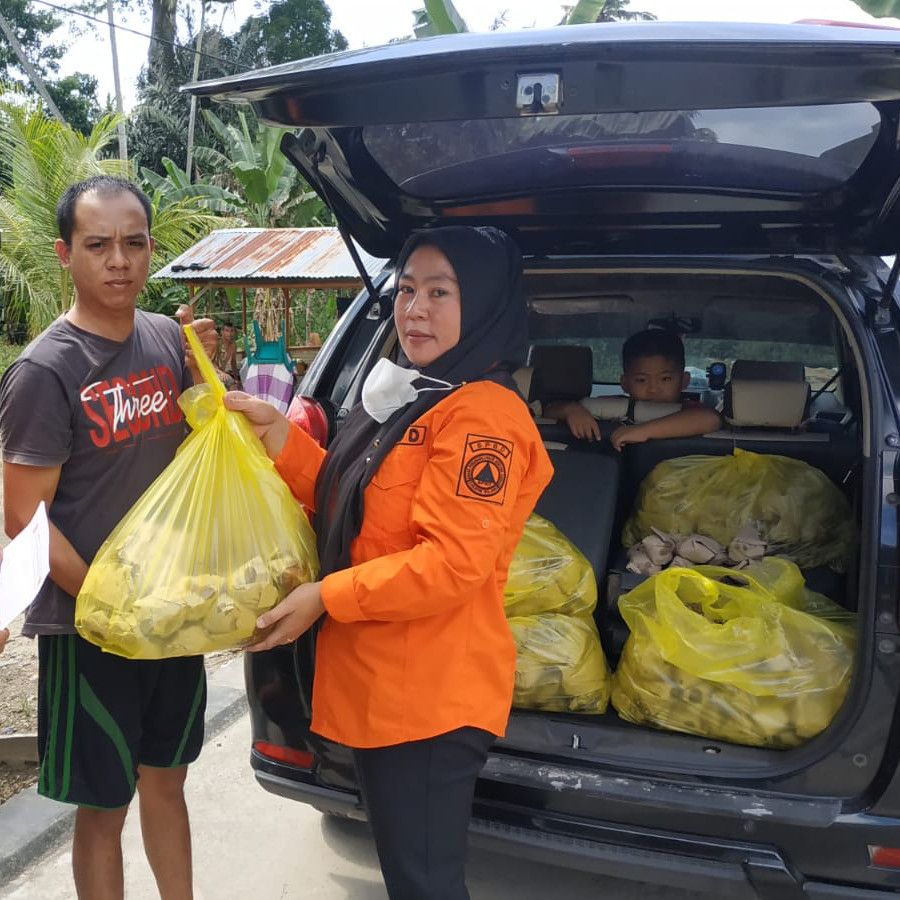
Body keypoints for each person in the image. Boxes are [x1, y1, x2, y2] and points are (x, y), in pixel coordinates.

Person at [225, 226, 554, 899]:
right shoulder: (412, 397)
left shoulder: (483, 418)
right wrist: (279, 434)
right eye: (406, 289)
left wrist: (327, 595)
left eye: (440, 291)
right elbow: (354, 503)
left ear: (486, 303)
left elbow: (452, 565)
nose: (415, 308)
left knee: (423, 883)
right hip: (384, 686)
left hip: (428, 697)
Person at [0, 175, 217, 900]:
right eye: (98, 245)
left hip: (171, 618)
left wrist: (206, 366)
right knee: (104, 806)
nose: (118, 260)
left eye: (132, 243)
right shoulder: (44, 371)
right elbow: (24, 517)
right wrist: (112, 603)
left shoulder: (164, 337)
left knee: (169, 779)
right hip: (91, 626)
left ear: (151, 248)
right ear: (65, 253)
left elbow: (199, 445)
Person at [547, 328, 722, 449]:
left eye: (665, 379)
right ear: (625, 383)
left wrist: (643, 431)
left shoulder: (689, 410)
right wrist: (572, 410)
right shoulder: (611, 407)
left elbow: (711, 419)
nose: (653, 389)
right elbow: (548, 410)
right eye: (641, 380)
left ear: (684, 381)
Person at [214, 319, 240, 389]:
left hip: (223, 373)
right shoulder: (216, 344)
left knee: (236, 384)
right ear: (222, 332)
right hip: (214, 372)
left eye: (231, 331)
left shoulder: (233, 345)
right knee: (230, 382)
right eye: (227, 331)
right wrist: (221, 373)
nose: (229, 333)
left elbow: (233, 362)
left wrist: (236, 378)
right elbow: (210, 363)